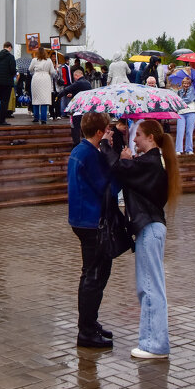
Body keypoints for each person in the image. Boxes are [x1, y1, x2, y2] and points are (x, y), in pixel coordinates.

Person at [102, 119, 181, 359]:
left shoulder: (151, 162)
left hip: (149, 228)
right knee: (148, 287)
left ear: (151, 138)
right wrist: (122, 153)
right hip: (149, 228)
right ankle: (150, 341)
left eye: (138, 135)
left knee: (150, 287)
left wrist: (107, 145)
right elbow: (126, 169)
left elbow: (118, 169)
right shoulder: (151, 162)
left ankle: (154, 344)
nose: (134, 139)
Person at [67, 111, 115, 348]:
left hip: (80, 218)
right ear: (99, 132)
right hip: (91, 220)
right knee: (94, 276)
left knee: (91, 274)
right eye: (107, 129)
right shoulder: (90, 154)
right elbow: (106, 187)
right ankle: (86, 331)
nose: (110, 132)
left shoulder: (79, 150)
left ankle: (90, 323)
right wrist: (119, 162)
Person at [56, 67, 92, 147]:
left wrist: (58, 96)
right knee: (85, 127)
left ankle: (76, 144)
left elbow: (67, 89)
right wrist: (73, 94)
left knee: (75, 127)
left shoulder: (78, 83)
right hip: (87, 109)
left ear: (76, 75)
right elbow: (82, 92)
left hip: (78, 109)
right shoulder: (88, 83)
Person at [29, 46, 56, 125]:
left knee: (36, 98)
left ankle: (36, 117)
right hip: (45, 79)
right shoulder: (49, 60)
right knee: (44, 99)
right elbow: (52, 72)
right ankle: (43, 119)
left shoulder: (34, 60)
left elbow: (30, 69)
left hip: (36, 78)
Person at [0, 42, 16, 126]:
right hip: (7, 81)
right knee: (5, 101)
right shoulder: (10, 57)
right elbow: (13, 70)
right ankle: (1, 120)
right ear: (9, 47)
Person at [175, 76, 195, 154]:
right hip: (181, 112)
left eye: (187, 83)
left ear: (190, 84)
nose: (186, 85)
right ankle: (178, 149)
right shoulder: (179, 91)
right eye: (184, 83)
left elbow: (189, 99)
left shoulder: (193, 90)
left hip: (191, 112)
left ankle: (189, 149)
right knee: (180, 131)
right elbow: (175, 99)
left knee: (189, 131)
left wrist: (179, 100)